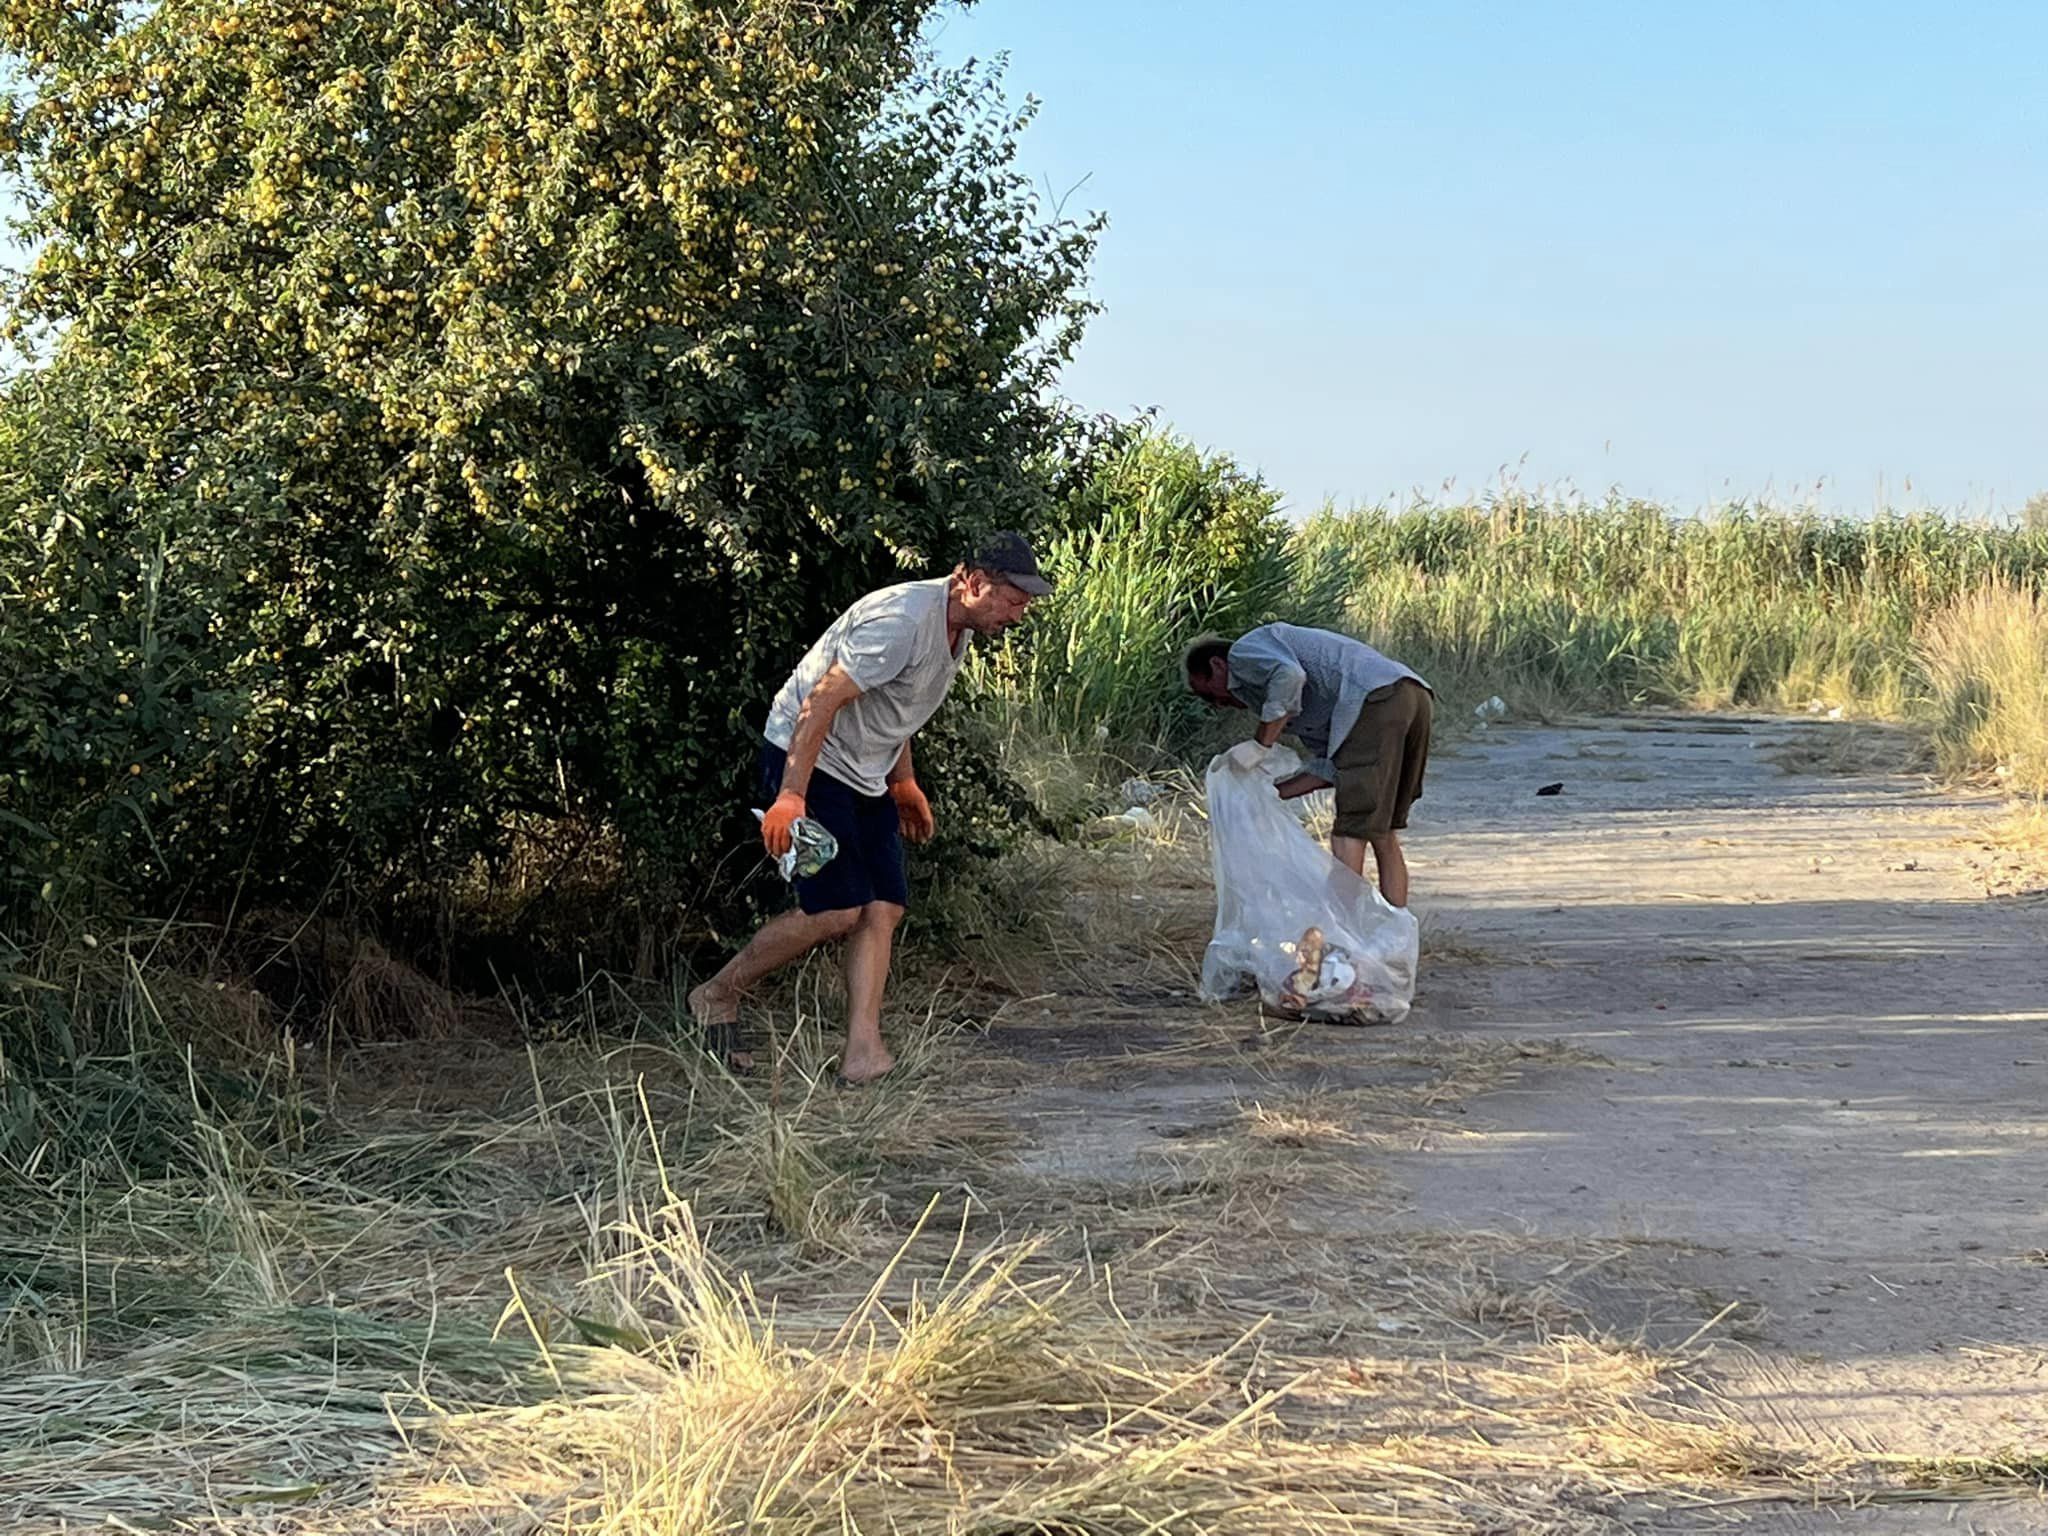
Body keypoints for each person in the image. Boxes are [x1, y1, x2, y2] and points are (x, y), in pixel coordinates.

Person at [689, 533, 1051, 1083]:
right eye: (1013, 598)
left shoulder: (959, 628)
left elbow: (892, 708)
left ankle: (863, 1054)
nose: (1019, 613)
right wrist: (791, 796)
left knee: (883, 906)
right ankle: (716, 994)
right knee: (837, 909)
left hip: (866, 770)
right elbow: (822, 702)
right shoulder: (901, 620)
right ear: (973, 583)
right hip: (808, 756)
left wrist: (904, 783)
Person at [1184, 624, 1433, 908]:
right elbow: (1333, 768)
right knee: (1382, 828)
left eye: (1206, 693)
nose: (1217, 704)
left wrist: (1260, 745)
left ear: (1217, 665)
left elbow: (1290, 676)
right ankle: (1397, 934)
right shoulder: (1307, 708)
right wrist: (1268, 794)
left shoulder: (1243, 651)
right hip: (1413, 695)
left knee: (1348, 832)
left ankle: (1344, 937)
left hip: (1376, 698)